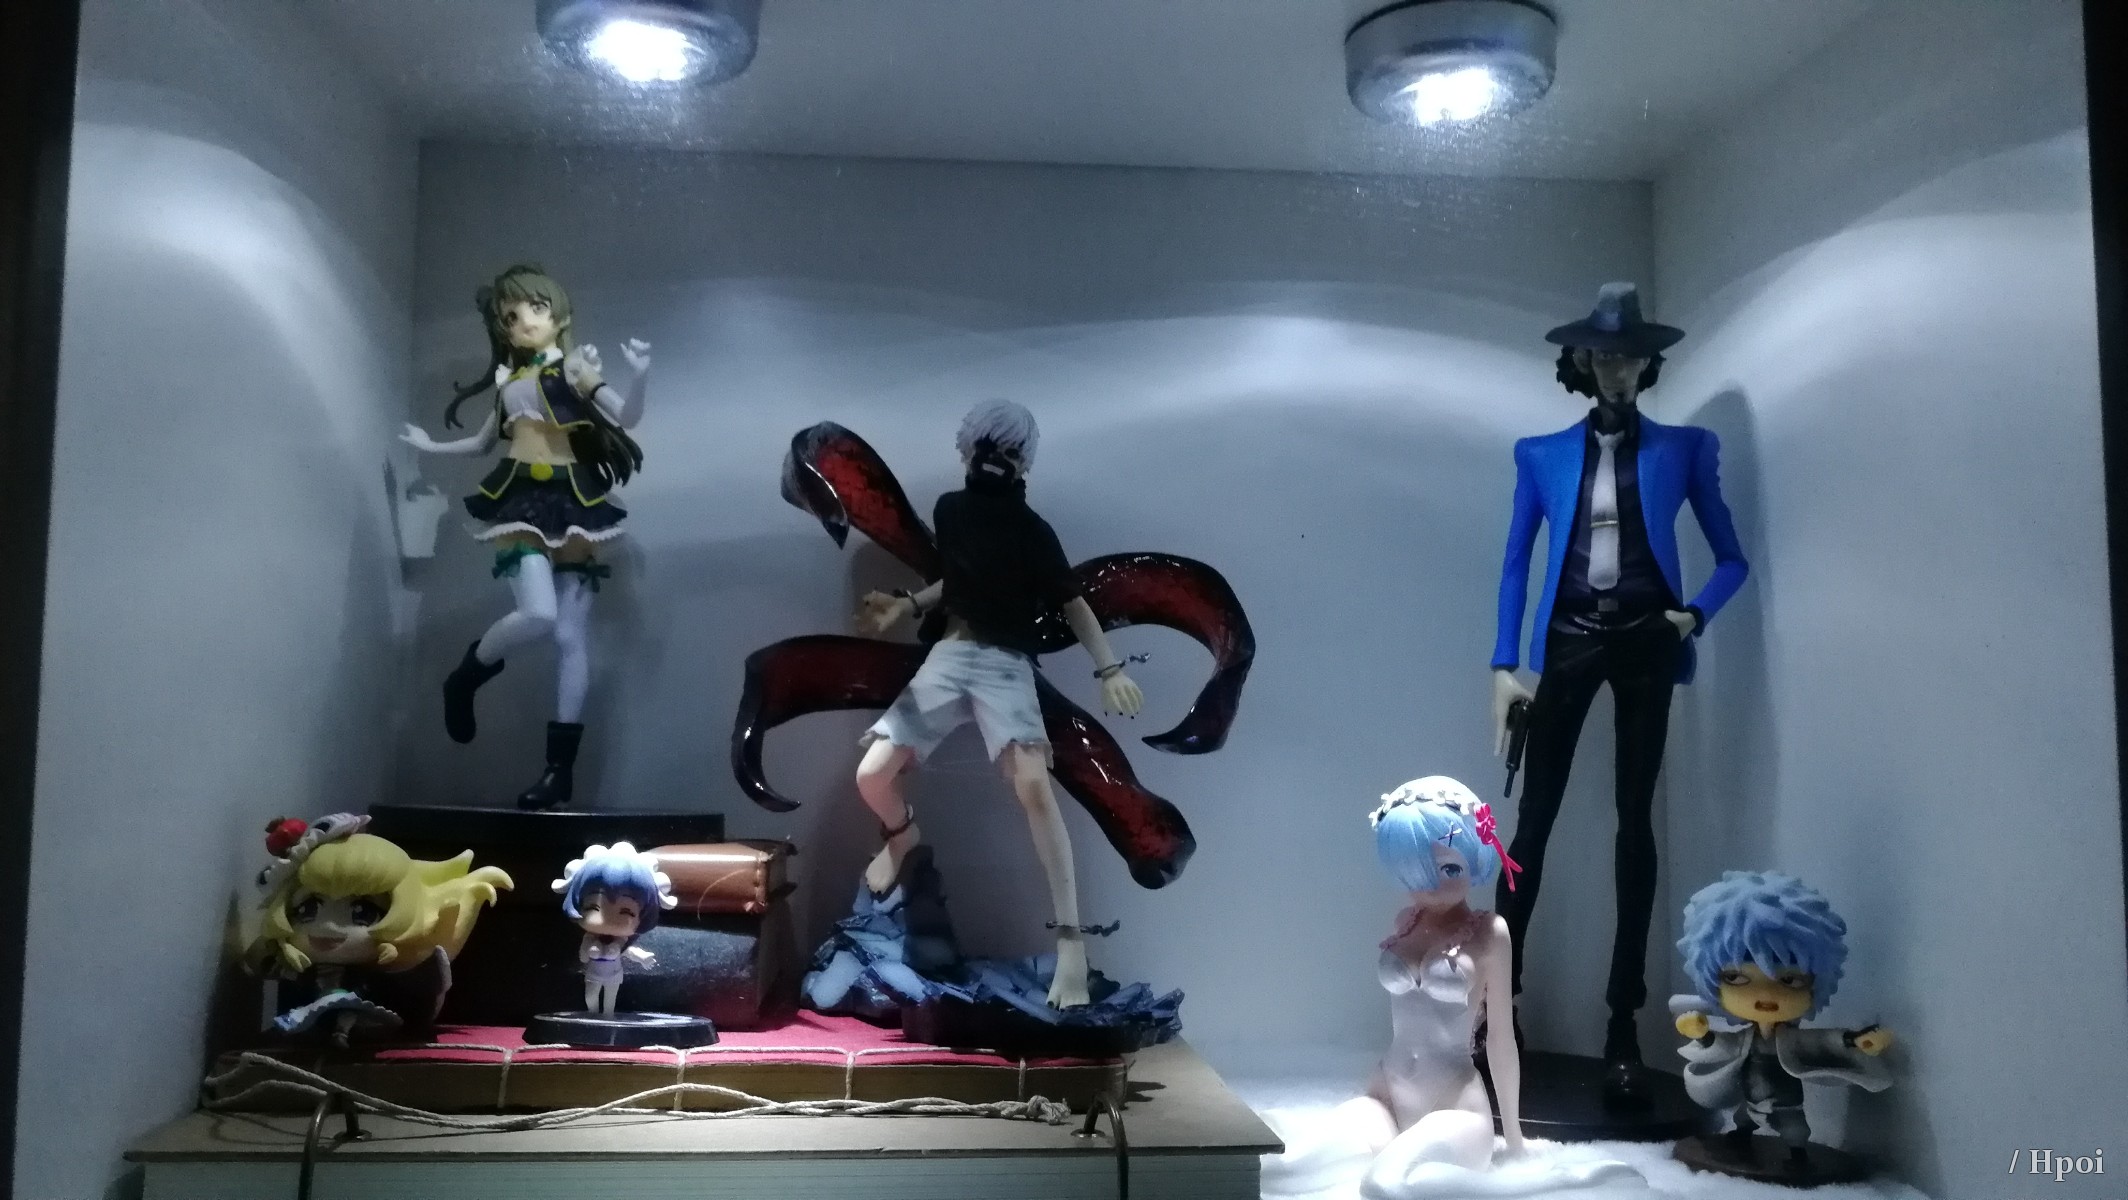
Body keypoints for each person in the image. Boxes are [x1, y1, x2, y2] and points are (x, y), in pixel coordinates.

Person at [1488, 282, 1749, 1101]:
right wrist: (1503, 663)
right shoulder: (1540, 453)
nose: (1616, 370)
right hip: (1567, 637)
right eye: (1603, 356)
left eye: (1629, 357)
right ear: (1580, 361)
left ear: (1646, 365)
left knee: (1635, 825)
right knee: (1532, 823)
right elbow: (1516, 563)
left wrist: (1692, 617)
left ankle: (1622, 1024)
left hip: (1645, 640)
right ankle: (1498, 1008)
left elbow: (1733, 558)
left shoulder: (1685, 449)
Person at [852, 400, 1143, 1008]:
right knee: (872, 774)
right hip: (951, 655)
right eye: (986, 447)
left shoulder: (1034, 532)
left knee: (1034, 786)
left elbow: (1072, 602)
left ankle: (1072, 943)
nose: (994, 461)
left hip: (1006, 663)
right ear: (968, 449)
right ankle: (902, 836)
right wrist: (908, 604)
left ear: (1023, 462)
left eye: (1008, 451)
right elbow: (960, 580)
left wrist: (1109, 666)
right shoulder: (951, 510)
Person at [401, 264, 650, 810]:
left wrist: (639, 376)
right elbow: (481, 443)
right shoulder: (509, 383)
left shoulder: (577, 370)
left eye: (535, 309)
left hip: (576, 504)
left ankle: (558, 771)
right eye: (511, 317)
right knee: (538, 614)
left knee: (571, 638)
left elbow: (627, 417)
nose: (523, 322)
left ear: (559, 316)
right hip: (518, 502)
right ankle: (466, 675)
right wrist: (431, 446)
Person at [1674, 871, 1893, 1167]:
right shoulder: (1746, 1038)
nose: (1765, 995)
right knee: (1744, 1118)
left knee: (1794, 1129)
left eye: (1789, 980)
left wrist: (1855, 1040)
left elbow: (1821, 1041)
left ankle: (1797, 1155)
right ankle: (1742, 1136)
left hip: (1786, 1101)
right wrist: (1703, 1034)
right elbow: (1726, 1046)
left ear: (1816, 981)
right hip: (1750, 1098)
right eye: (1736, 978)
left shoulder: (1792, 1039)